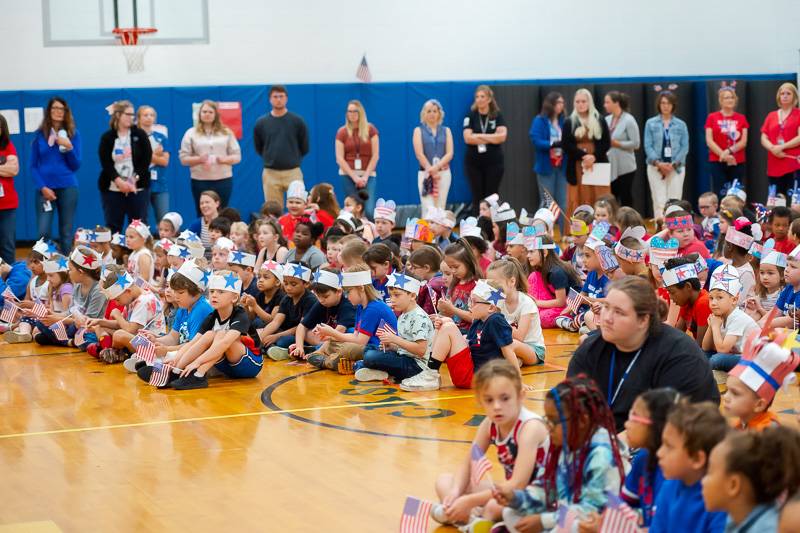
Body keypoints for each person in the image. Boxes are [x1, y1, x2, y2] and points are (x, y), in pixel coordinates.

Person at [567, 276, 719, 432]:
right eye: (606, 307)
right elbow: (572, 405)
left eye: (619, 312)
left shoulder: (681, 355)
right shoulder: (590, 349)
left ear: (643, 320)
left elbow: (682, 424)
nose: (607, 318)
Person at [492, 376, 625, 532]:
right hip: (566, 514)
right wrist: (515, 498)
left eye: (554, 421)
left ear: (582, 420)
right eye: (546, 419)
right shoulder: (563, 444)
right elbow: (544, 489)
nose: (548, 427)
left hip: (599, 523)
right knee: (510, 513)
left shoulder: (602, 454)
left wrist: (543, 521)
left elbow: (591, 512)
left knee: (572, 527)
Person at [430, 360, 549, 529]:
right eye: (489, 400)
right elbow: (469, 462)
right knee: (444, 482)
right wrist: (456, 492)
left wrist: (469, 500)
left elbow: (518, 484)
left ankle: (467, 516)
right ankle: (472, 517)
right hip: (511, 494)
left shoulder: (530, 428)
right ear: (480, 401)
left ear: (521, 395)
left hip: (540, 495)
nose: (497, 406)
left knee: (493, 506)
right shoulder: (490, 423)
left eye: (505, 398)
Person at [703, 427, 800, 533]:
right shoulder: (734, 518)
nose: (703, 480)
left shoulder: (769, 529)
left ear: (733, 485)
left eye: (709, 472)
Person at [650, 401, 727, 533]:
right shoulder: (669, 487)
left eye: (669, 447)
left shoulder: (720, 504)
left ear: (697, 459)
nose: (659, 453)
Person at [621, 388, 679, 528]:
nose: (626, 425)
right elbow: (623, 505)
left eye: (634, 417)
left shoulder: (675, 474)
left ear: (656, 425)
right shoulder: (643, 459)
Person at [30, 97, 82, 254]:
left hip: (68, 187)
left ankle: (66, 268)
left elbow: (76, 165)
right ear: (49, 111)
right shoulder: (39, 135)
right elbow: (32, 166)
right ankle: (45, 268)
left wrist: (68, 147)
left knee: (66, 233)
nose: (59, 112)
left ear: (66, 113)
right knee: (43, 232)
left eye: (62, 109)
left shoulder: (74, 134)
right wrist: (43, 187)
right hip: (45, 190)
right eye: (55, 108)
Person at [723, 332, 799, 430]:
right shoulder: (741, 425)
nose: (725, 397)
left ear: (759, 405)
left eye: (735, 393)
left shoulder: (767, 436)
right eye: (726, 390)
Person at [98, 100, 153, 233]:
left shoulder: (139, 135)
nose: (131, 118)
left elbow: (146, 159)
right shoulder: (107, 137)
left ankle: (139, 254)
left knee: (138, 227)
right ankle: (115, 253)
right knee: (113, 226)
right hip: (112, 189)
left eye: (133, 114)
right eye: (128, 114)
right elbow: (106, 162)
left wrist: (133, 179)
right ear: (118, 115)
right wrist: (118, 181)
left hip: (137, 188)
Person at [179, 100, 241, 212]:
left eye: (210, 112)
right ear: (199, 114)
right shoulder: (191, 133)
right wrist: (199, 159)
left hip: (223, 179)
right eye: (204, 112)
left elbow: (237, 156)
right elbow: (183, 159)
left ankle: (221, 230)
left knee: (222, 211)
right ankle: (203, 230)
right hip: (200, 180)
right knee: (203, 211)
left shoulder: (226, 132)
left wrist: (224, 159)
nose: (207, 114)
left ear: (216, 114)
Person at [253, 85, 309, 209]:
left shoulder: (297, 121)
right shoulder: (261, 123)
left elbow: (304, 147)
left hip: (293, 172)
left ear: (286, 98)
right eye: (275, 96)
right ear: (270, 99)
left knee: (298, 206)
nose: (278, 99)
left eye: (281, 96)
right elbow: (259, 147)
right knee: (273, 210)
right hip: (271, 173)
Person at [562, 88, 611, 216]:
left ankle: (602, 233)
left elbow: (606, 143)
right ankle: (577, 233)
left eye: (583, 101)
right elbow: (566, 144)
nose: (580, 104)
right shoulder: (569, 121)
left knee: (600, 198)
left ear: (589, 102)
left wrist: (593, 157)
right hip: (577, 166)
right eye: (577, 101)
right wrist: (584, 156)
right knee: (577, 198)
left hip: (597, 165)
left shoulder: (599, 119)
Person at [644, 89, 690, 220]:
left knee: (675, 200)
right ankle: (660, 229)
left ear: (673, 105)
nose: (665, 106)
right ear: (659, 104)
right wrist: (659, 164)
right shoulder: (650, 123)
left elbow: (684, 147)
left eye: (668, 103)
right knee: (659, 200)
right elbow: (648, 145)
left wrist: (673, 165)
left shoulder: (681, 124)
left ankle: (675, 228)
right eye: (663, 103)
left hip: (676, 167)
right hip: (655, 167)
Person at [463, 85, 507, 216]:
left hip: (494, 163)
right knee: (477, 196)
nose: (479, 99)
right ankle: (478, 227)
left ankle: (493, 227)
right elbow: (467, 138)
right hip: (474, 163)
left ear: (489, 99)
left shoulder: (497, 115)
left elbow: (502, 137)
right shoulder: (470, 116)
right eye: (477, 97)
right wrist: (491, 137)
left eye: (482, 96)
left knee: (492, 196)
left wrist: (479, 136)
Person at [336, 100, 380, 217]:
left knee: (369, 211)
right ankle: (353, 234)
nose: (352, 114)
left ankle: (370, 233)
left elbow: (375, 155)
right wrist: (355, 178)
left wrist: (365, 177)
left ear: (361, 112)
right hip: (348, 175)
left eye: (355, 111)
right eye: (349, 111)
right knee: (352, 210)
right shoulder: (342, 132)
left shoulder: (371, 130)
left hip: (368, 175)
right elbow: (339, 158)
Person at [705, 86, 749, 196]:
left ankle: (735, 212)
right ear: (720, 101)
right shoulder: (712, 117)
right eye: (726, 98)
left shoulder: (741, 118)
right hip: (717, 160)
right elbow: (709, 140)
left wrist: (728, 152)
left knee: (735, 192)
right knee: (720, 191)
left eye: (732, 97)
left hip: (736, 160)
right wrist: (723, 155)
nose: (730, 100)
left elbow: (743, 141)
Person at [530, 92, 567, 220]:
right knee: (547, 202)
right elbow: (536, 140)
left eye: (562, 102)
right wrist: (552, 144)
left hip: (562, 166)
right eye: (558, 102)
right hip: (546, 166)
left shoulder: (564, 120)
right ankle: (541, 233)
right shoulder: (539, 120)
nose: (561, 105)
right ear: (550, 104)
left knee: (563, 202)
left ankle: (564, 234)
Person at [413, 99, 454, 210]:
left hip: (443, 173)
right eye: (429, 111)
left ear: (439, 113)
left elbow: (450, 153)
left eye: (435, 111)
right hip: (425, 173)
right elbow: (419, 153)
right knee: (428, 207)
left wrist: (437, 167)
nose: (432, 114)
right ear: (424, 113)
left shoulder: (446, 130)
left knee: (441, 206)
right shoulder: (418, 130)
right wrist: (430, 170)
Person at [760, 82, 800, 196]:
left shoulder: (798, 114)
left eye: (788, 93)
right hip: (774, 164)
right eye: (782, 93)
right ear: (779, 96)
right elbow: (764, 137)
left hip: (793, 165)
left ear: (794, 96)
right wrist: (772, 148)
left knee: (795, 200)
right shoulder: (771, 115)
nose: (785, 96)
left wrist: (782, 147)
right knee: (776, 201)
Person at [604, 91, 641, 207]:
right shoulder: (607, 120)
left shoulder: (629, 120)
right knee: (612, 197)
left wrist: (617, 144)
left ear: (616, 103)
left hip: (626, 167)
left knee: (625, 196)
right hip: (610, 165)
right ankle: (613, 222)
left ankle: (628, 222)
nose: (605, 105)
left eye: (607, 102)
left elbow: (636, 144)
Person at [136, 105, 170, 226]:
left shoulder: (161, 137)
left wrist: (147, 155)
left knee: (163, 219)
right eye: (145, 115)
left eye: (152, 115)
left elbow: (165, 161)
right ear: (138, 118)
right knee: (141, 220)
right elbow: (135, 159)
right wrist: (155, 155)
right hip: (140, 183)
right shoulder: (134, 137)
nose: (149, 118)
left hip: (159, 183)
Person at [0, 113, 19, 264]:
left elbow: (13, 170)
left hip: (7, 204)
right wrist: (3, 167)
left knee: (7, 243)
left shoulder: (8, 146)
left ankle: (10, 281)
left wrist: (7, 168)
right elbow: (8, 168)